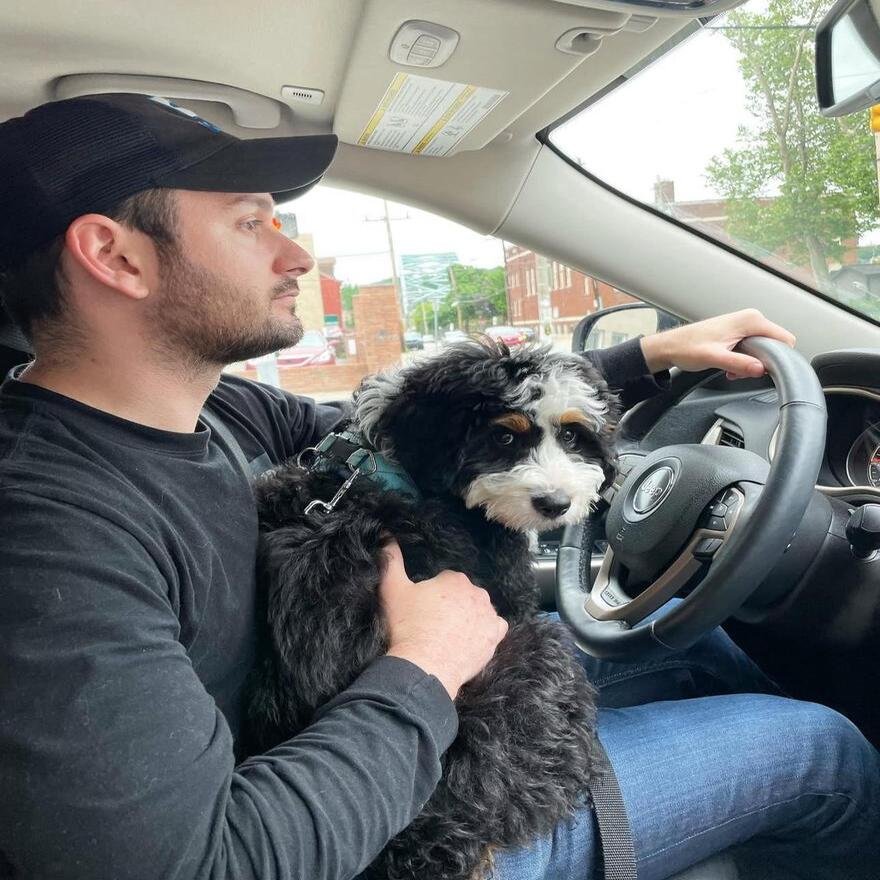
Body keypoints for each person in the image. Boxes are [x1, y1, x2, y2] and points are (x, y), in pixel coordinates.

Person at [0, 94, 875, 880]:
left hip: (377, 718)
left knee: (688, 646)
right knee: (825, 750)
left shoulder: (213, 408)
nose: (296, 251)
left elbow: (407, 435)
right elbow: (202, 865)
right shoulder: (49, 533)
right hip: (394, 840)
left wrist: (635, 362)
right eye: (248, 223)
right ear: (113, 255)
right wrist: (428, 664)